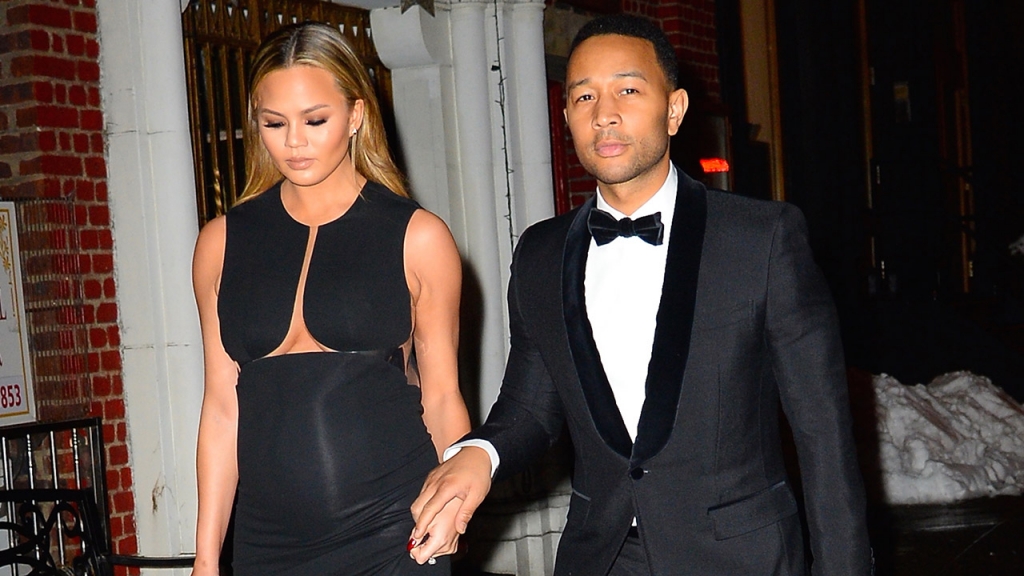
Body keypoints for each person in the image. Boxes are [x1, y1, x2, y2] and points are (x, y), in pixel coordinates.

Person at [409, 14, 872, 576]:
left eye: (628, 89)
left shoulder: (763, 239)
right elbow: (531, 406)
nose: (605, 114)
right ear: (566, 117)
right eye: (583, 96)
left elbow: (823, 435)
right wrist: (478, 456)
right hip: (600, 556)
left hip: (739, 556)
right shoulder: (540, 253)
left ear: (674, 110)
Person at [191, 22, 470, 575]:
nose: (294, 142)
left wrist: (454, 511)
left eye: (315, 120)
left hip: (397, 529)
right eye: (274, 123)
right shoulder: (220, 243)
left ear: (356, 115)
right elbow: (223, 410)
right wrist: (205, 558)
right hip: (266, 543)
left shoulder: (418, 237)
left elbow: (441, 398)